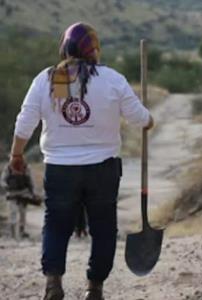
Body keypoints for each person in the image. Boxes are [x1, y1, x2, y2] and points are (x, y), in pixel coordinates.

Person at [8, 22, 154, 300]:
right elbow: (139, 118)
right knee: (103, 229)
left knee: (55, 226)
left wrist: (16, 156)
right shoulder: (112, 79)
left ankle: (53, 283)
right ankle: (94, 287)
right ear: (94, 50)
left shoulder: (48, 80)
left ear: (64, 48)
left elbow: (24, 122)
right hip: (102, 170)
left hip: (60, 170)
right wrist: (149, 120)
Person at [0, 162, 41, 238]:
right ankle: (13, 234)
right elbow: (3, 180)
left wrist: (34, 193)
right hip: (11, 193)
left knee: (22, 214)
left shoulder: (26, 167)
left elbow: (31, 181)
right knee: (13, 213)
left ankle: (21, 232)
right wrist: (6, 186)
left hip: (23, 194)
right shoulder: (8, 167)